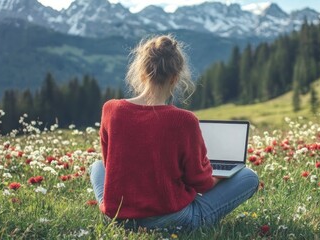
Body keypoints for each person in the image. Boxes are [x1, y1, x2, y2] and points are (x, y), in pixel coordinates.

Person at [89, 35, 259, 231]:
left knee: (98, 166)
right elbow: (201, 183)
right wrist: (221, 174)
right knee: (248, 177)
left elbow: (110, 164)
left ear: (141, 72)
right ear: (176, 78)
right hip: (171, 219)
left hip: (119, 214)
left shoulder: (111, 109)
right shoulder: (184, 120)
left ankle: (123, 220)